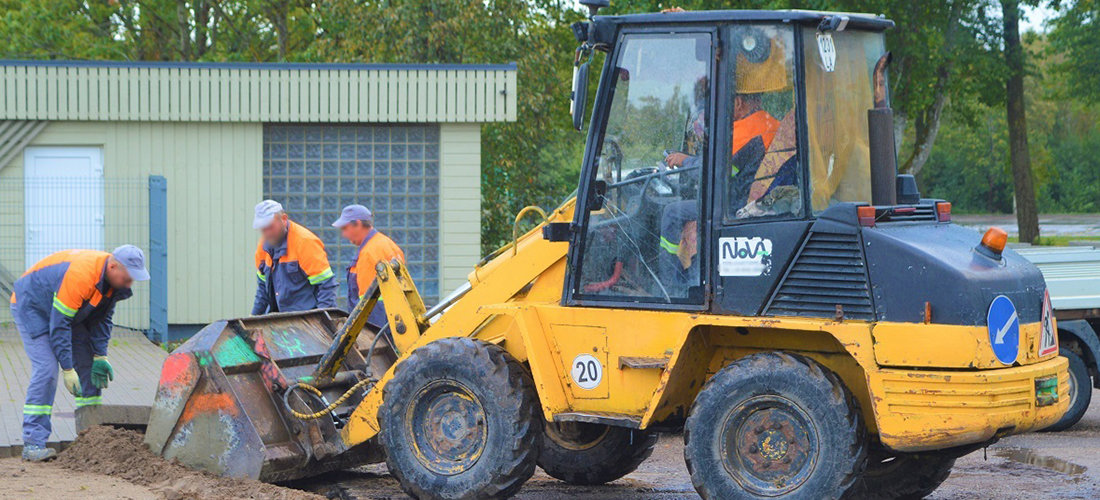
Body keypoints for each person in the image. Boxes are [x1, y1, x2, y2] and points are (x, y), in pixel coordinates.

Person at [9, 246, 148, 461]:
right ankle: (33, 443)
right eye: (128, 278)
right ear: (113, 267)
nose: (130, 284)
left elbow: (102, 319)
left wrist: (100, 355)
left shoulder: (112, 283)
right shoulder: (81, 276)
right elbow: (60, 326)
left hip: (66, 310)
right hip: (32, 307)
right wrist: (67, 367)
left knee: (89, 365)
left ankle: (92, 438)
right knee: (47, 370)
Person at [252, 200, 336, 315]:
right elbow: (263, 289)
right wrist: (253, 318)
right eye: (263, 229)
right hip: (280, 319)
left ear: (284, 219)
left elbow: (326, 286)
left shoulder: (305, 242)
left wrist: (321, 321)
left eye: (270, 227)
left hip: (306, 318)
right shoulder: (263, 246)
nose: (267, 233)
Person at [331, 204, 405, 327]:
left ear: (358, 224)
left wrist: (369, 331)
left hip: (378, 321)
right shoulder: (386, 244)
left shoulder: (370, 252)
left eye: (345, 228)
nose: (344, 234)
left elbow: (370, 302)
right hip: (394, 318)